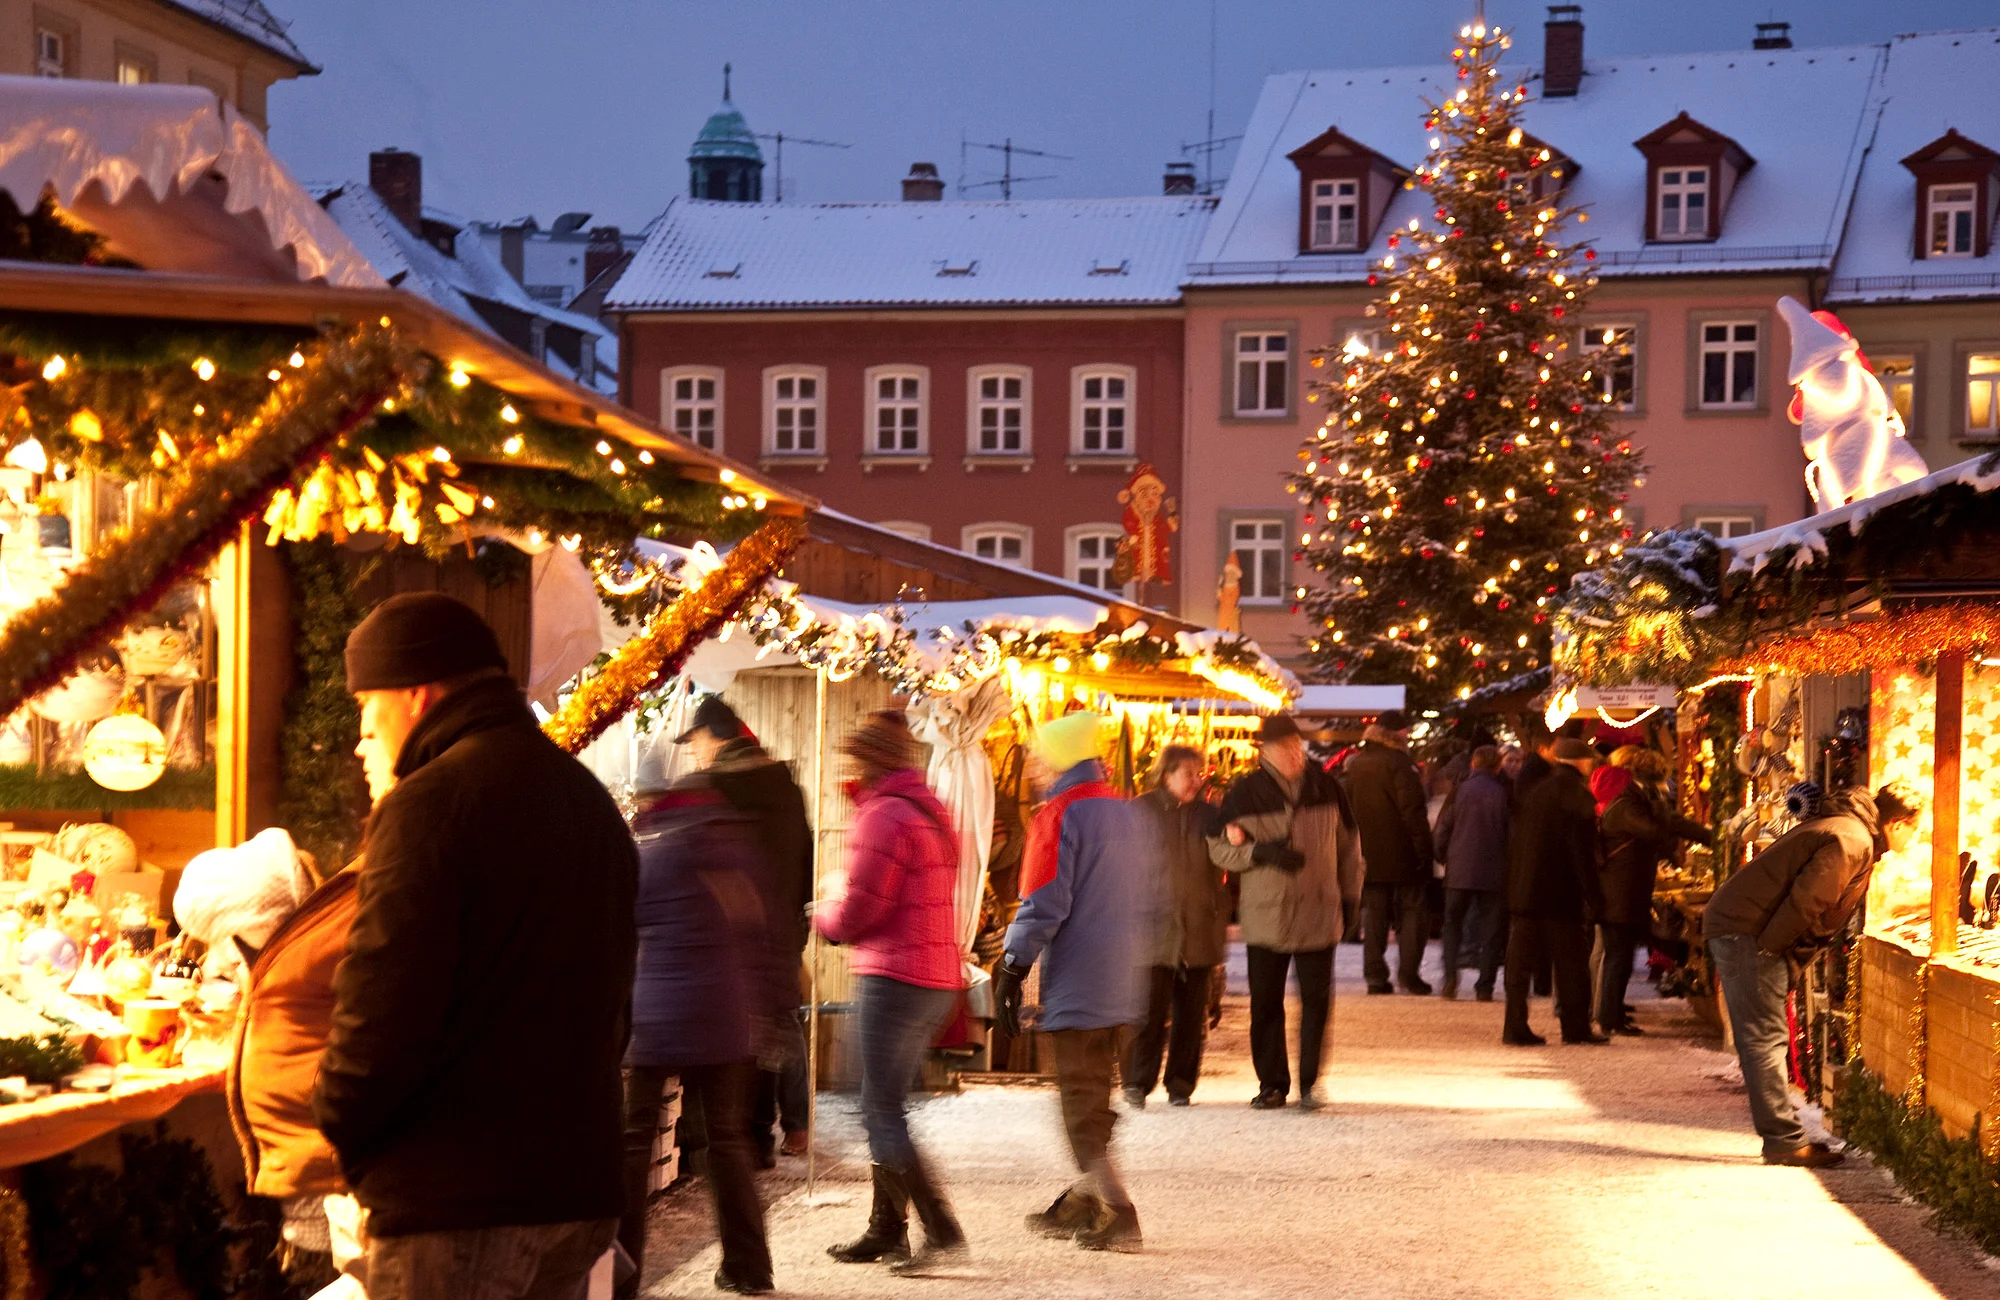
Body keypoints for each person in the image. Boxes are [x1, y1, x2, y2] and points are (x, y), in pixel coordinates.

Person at [314, 592, 637, 1300]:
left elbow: (383, 1007)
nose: (361, 732)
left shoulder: (431, 803)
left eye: (366, 707)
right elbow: (615, 1010)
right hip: (573, 1189)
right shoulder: (585, 800)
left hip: (458, 1203)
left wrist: (340, 1120)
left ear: (414, 695)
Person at [621, 758, 791, 1296]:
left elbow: (627, 928)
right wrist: (769, 1009)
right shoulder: (743, 849)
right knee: (728, 1142)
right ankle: (749, 1267)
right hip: (726, 1018)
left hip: (658, 1017)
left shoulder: (652, 853)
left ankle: (620, 1277)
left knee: (633, 1145)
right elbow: (765, 935)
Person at [994, 712, 1157, 1252]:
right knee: (1095, 1093)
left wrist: (1013, 965)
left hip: (1080, 982)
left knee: (1079, 1102)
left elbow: (1044, 901)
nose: (1035, 766)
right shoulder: (1128, 812)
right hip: (1123, 980)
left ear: (1063, 758)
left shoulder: (1060, 814)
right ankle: (1083, 1201)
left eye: (1042, 755)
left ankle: (1117, 1210)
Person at [814, 711, 968, 1274]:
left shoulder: (883, 817)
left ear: (871, 760)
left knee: (878, 1109)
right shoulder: (928, 810)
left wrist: (824, 913)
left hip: (893, 978)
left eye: (855, 758)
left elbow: (862, 911)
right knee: (885, 1105)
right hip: (930, 976)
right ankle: (888, 1229)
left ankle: (940, 1227)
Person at [1705, 784, 1922, 1167]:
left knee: (1763, 1037)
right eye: (1915, 829)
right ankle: (1783, 1141)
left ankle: (1783, 1136)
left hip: (1746, 927)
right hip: (1749, 931)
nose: (1914, 838)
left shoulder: (1848, 830)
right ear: (1899, 823)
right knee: (1763, 1038)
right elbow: (1809, 900)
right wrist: (1772, 949)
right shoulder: (1852, 839)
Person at [177, 828, 356, 1287]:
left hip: (323, 1164)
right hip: (308, 1162)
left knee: (329, 1271)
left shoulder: (298, 957)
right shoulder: (294, 942)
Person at [676, 695, 815, 1167]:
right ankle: (789, 1128)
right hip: (784, 926)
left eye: (695, 740)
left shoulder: (715, 785)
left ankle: (743, 1140)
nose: (694, 751)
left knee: (737, 1032)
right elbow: (806, 859)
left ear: (713, 735)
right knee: (782, 1024)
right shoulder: (786, 785)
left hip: (733, 929)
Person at [1210, 715, 1364, 1111]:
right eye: (1285, 748)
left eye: (1298, 745)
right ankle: (1272, 1083)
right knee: (1266, 1004)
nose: (1296, 754)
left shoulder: (1327, 787)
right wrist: (1258, 853)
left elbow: (1350, 847)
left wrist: (1351, 898)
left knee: (1317, 1003)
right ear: (1265, 752)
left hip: (1319, 910)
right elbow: (1218, 850)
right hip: (1268, 916)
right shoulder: (1244, 793)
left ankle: (1311, 1083)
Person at [1124, 745, 1230, 1108]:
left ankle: (1181, 1084)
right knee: (1148, 1012)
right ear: (1166, 773)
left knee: (1191, 1015)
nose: (1196, 781)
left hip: (1198, 926)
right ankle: (1137, 1082)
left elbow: (1224, 864)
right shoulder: (1140, 811)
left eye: (1199, 774)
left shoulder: (1209, 815)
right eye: (1189, 773)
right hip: (1151, 928)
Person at [1593, 748, 1710, 1036]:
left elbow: (1669, 824)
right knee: (1618, 956)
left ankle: (1612, 1012)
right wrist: (1660, 806)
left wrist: (1708, 836)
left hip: (1624, 891)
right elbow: (1655, 830)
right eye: (1659, 781)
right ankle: (1610, 1018)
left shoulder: (1632, 800)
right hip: (1619, 892)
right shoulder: (1627, 804)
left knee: (1619, 955)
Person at [1502, 737, 1604, 1046]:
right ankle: (1575, 1027)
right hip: (1560, 894)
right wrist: (1595, 897)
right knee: (1571, 963)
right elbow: (1582, 853)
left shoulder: (1537, 791)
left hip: (1525, 891)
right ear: (1582, 763)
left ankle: (1514, 1025)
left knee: (1519, 964)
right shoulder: (1577, 796)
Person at [1343, 710, 1435, 995]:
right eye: (1406, 731)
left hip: (1368, 854)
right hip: (1403, 855)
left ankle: (1374, 976)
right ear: (1397, 733)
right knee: (1412, 914)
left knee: (1374, 917)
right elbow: (1412, 812)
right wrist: (1424, 852)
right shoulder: (1400, 764)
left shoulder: (1357, 766)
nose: (1408, 736)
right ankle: (1409, 974)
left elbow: (1348, 811)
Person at [1433, 745, 1510, 1001]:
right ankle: (1485, 986)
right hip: (1494, 872)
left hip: (1459, 870)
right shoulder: (1504, 793)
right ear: (1498, 766)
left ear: (1474, 765)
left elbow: (1442, 829)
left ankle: (1450, 977)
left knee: (1452, 925)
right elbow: (1512, 834)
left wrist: (1443, 856)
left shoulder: (1460, 792)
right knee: (1491, 930)